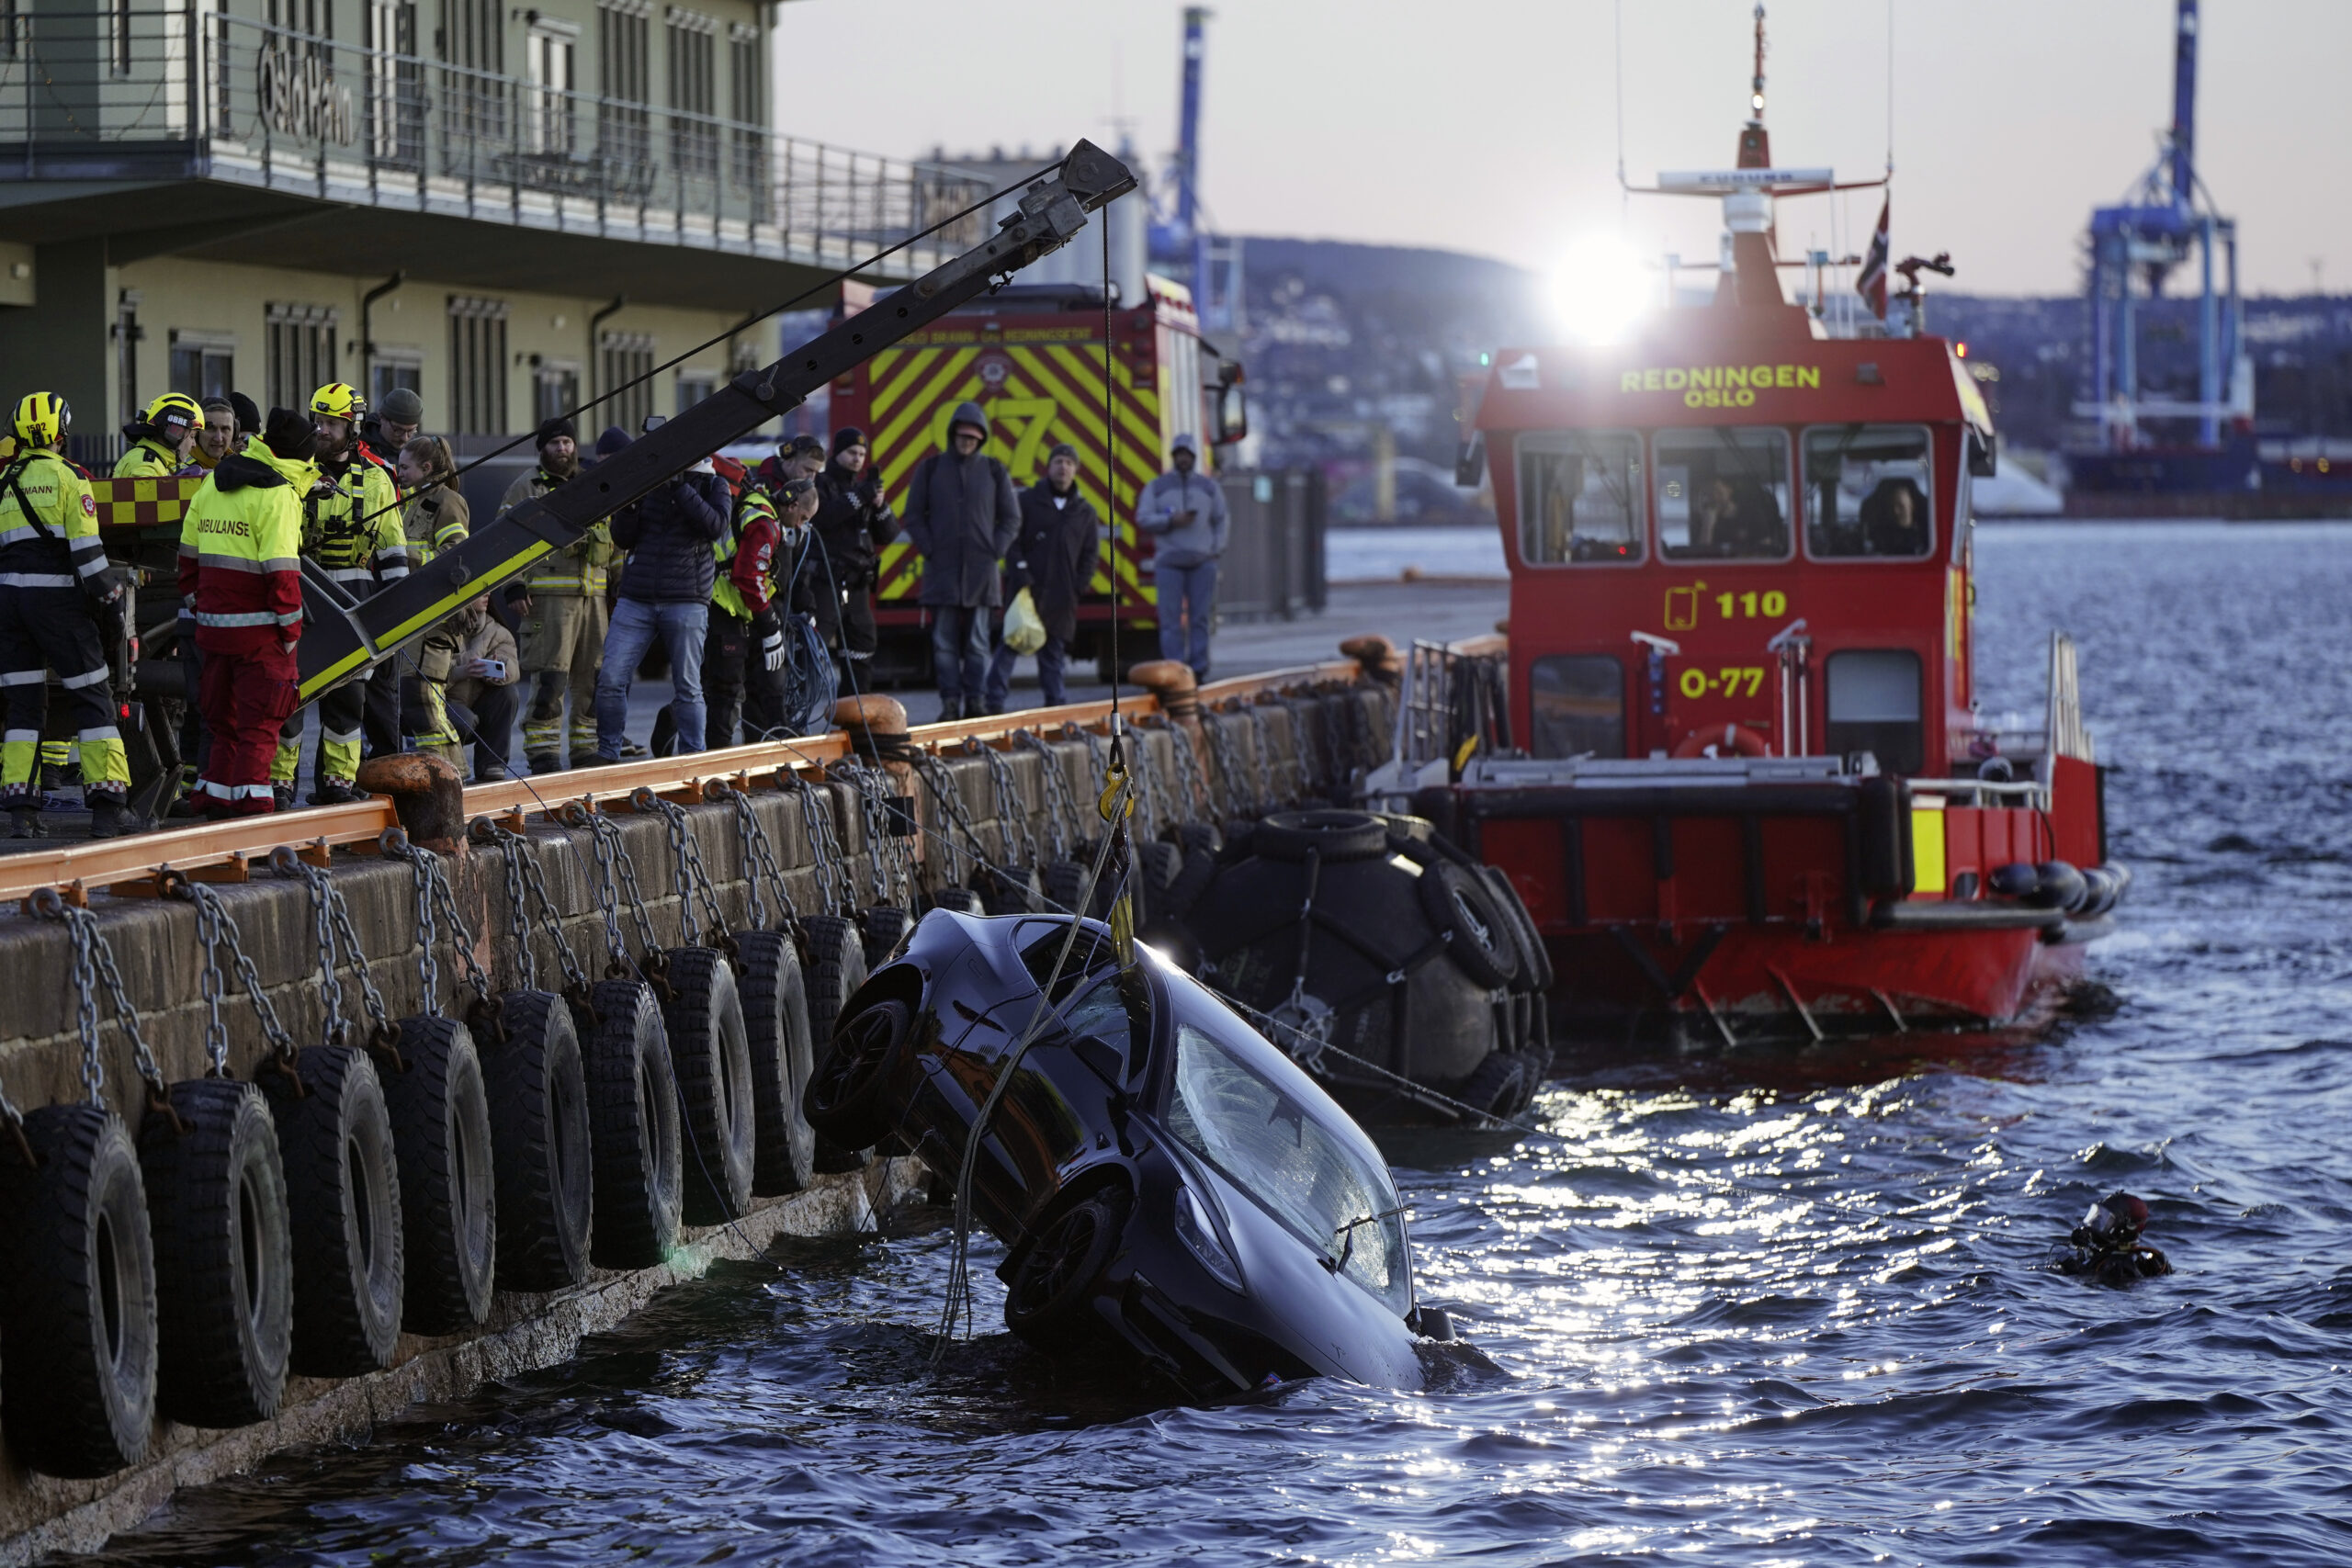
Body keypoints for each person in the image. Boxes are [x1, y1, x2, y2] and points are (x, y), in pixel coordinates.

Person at [0, 393, 134, 838]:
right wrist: (113, 599)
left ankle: (21, 811)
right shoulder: (70, 479)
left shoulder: (3, 480)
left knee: (22, 709)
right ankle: (109, 807)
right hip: (58, 606)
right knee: (92, 697)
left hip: (9, 608)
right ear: (62, 433)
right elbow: (89, 558)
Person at [276, 382, 404, 805]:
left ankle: (337, 783)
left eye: (332, 423)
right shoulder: (292, 472)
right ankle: (280, 783)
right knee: (290, 698)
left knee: (348, 702)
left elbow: (392, 549)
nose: (323, 430)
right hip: (303, 595)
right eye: (318, 421)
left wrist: (397, 608)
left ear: (352, 428)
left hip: (356, 599)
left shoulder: (378, 479)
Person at [180, 408, 311, 818]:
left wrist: (199, 607)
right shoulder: (280, 495)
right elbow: (282, 572)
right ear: (300, 456)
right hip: (262, 635)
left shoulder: (212, 485)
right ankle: (253, 812)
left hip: (214, 629)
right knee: (260, 725)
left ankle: (216, 799)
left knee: (222, 723)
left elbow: (187, 556)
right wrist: (291, 629)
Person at [590, 457, 727, 761]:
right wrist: (630, 504)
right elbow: (623, 538)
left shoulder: (714, 484)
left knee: (688, 686)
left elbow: (715, 526)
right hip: (637, 596)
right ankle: (608, 753)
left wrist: (679, 488)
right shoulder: (647, 482)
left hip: (687, 598)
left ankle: (693, 758)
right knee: (611, 677)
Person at [506, 416, 615, 773]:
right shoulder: (526, 487)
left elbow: (614, 544)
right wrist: (514, 586)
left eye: (567, 442)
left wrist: (622, 586)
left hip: (595, 602)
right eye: (555, 443)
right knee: (550, 681)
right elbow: (503, 542)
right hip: (547, 604)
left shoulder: (590, 483)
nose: (563, 449)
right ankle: (543, 754)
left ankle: (586, 751)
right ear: (542, 448)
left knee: (592, 680)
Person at [901, 400, 1019, 720]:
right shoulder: (930, 468)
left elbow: (1011, 518)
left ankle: (976, 702)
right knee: (943, 644)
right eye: (962, 435)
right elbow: (912, 516)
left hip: (982, 573)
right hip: (942, 572)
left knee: (979, 644)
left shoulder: (994, 470)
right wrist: (929, 548)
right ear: (952, 435)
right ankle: (950, 703)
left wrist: (996, 550)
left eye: (973, 437)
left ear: (981, 439)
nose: (967, 441)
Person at [985, 443, 1100, 711]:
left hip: (1062, 594)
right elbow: (1011, 541)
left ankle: (1055, 707)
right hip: (1027, 589)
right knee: (1011, 644)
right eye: (1058, 462)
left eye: (1069, 463)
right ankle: (992, 702)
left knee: (1053, 655)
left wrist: (1078, 585)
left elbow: (1090, 554)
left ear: (1075, 471)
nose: (1063, 467)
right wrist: (1020, 572)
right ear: (1048, 467)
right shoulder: (1026, 501)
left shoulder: (1084, 512)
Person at [700, 474, 811, 748]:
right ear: (792, 504)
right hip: (723, 605)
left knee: (731, 687)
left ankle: (762, 741)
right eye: (803, 517)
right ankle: (717, 763)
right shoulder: (765, 524)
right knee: (725, 690)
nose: (801, 526)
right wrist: (768, 624)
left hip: (731, 607)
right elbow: (748, 577)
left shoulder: (758, 506)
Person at [395, 435, 472, 763]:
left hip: (436, 618)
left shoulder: (447, 502)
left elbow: (456, 557)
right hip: (416, 615)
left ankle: (451, 772)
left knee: (424, 698)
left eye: (404, 467)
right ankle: (442, 770)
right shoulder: (413, 502)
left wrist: (401, 557)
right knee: (417, 699)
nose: (398, 472)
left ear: (426, 468)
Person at [807, 425, 899, 689]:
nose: (857, 458)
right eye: (851, 452)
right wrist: (861, 496)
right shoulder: (822, 484)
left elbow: (888, 535)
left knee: (861, 648)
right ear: (837, 453)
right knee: (815, 645)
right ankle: (799, 715)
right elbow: (825, 517)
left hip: (857, 585)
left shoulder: (864, 490)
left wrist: (880, 506)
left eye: (861, 453)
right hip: (826, 582)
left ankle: (855, 721)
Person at [1136, 431, 1227, 681]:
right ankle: (1174, 669)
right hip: (1169, 562)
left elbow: (1222, 520)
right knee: (1170, 621)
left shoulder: (1209, 487)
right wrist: (1169, 520)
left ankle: (1198, 669)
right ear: (1173, 456)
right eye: (1179, 454)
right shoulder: (1157, 487)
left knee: (1199, 619)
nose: (1183, 459)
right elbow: (1143, 518)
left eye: (1188, 454)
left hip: (1202, 562)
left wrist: (1215, 549)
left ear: (1194, 457)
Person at [435, 595, 520, 782]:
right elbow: (423, 674)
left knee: (509, 693)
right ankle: (444, 771)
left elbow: (513, 667)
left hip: (475, 710)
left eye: (489, 590)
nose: (488, 594)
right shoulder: (439, 629)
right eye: (480, 591)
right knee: (463, 719)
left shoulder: (498, 631)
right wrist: (460, 672)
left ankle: (492, 765)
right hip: (443, 706)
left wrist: (499, 671)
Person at [2056, 1191, 2173, 1285]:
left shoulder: (2121, 1266)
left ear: (2126, 1228)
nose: (2096, 1224)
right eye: (2098, 1215)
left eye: (2106, 1220)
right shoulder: (2100, 1255)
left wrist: (2075, 1273)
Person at [113, 392, 203, 477]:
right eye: (192, 436)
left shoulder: (155, 461)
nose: (194, 444)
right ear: (175, 432)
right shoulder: (146, 466)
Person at [359, 386, 423, 466]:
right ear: (381, 417)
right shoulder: (359, 452)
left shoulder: (418, 453)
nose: (405, 438)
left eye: (411, 431)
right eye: (398, 430)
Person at [194, 398, 238, 470]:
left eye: (225, 429)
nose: (218, 438)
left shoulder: (239, 467)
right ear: (196, 432)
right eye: (211, 429)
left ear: (235, 432)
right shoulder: (180, 470)